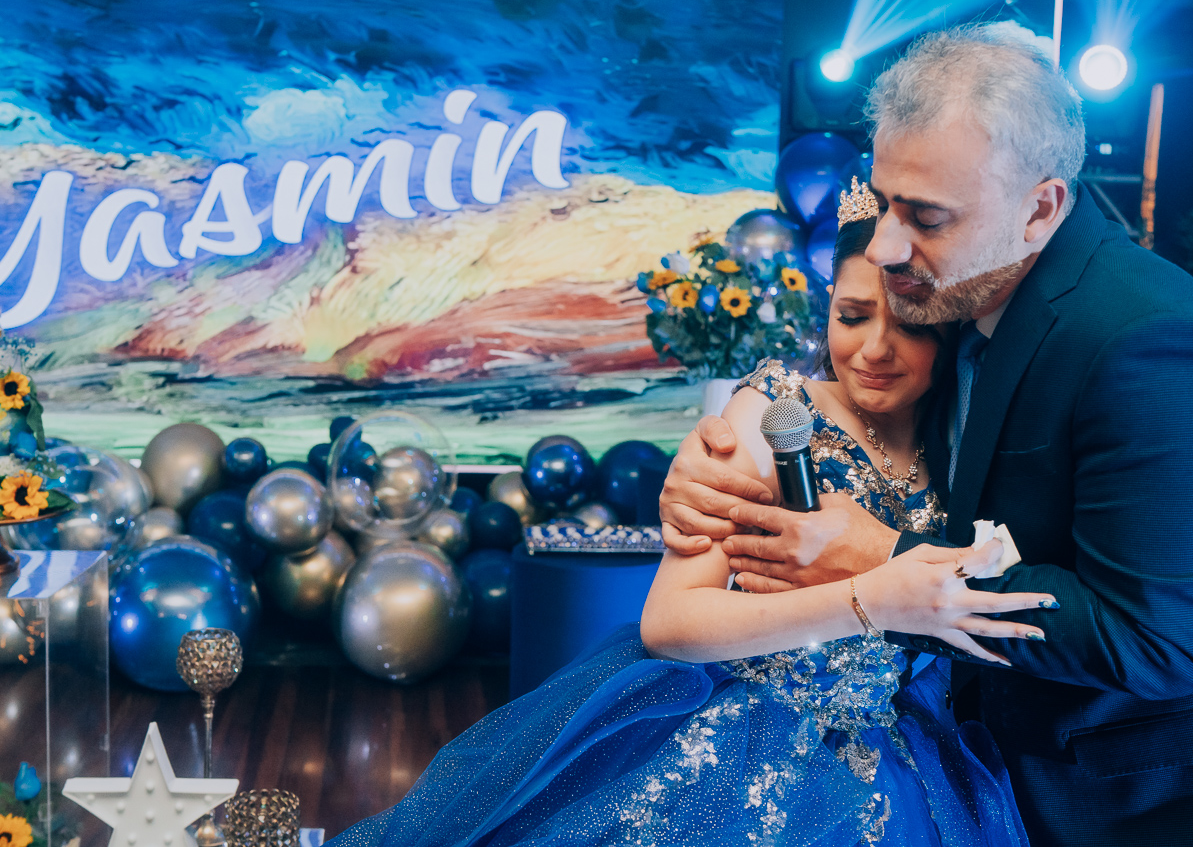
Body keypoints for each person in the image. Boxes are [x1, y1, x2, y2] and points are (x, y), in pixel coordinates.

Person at [659, 23, 1193, 847]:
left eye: (926, 216)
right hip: (1010, 774)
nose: (886, 246)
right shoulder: (957, 300)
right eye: (884, 201)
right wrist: (705, 465)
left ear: (1040, 209)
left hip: (1164, 794)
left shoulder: (1150, 342)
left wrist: (883, 558)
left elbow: (1153, 643)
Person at [324, 201, 1059, 847]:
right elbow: (669, 621)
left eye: (909, 324)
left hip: (904, 760)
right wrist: (869, 601)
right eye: (852, 316)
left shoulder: (964, 440)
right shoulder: (777, 411)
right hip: (753, 744)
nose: (873, 349)